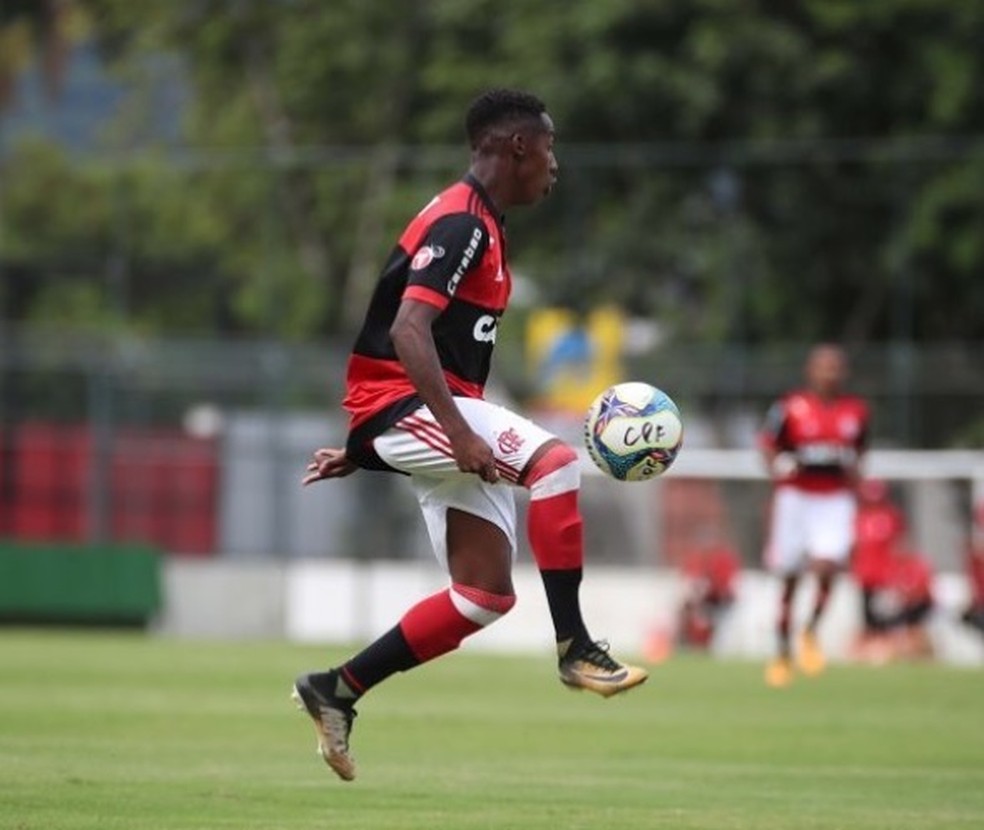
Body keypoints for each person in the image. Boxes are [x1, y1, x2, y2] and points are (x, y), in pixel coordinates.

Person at [292, 89, 647, 782]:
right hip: (414, 406)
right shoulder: (462, 224)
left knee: (483, 596)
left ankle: (336, 689)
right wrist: (450, 432)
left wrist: (366, 449)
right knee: (556, 463)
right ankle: (575, 646)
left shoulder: (481, 221)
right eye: (548, 149)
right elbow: (405, 332)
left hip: (413, 413)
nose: (554, 164)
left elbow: (410, 342)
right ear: (517, 147)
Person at [759, 344, 869, 687]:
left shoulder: (857, 411)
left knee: (827, 566)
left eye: (836, 367)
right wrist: (778, 465)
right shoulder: (789, 406)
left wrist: (855, 477)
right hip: (795, 498)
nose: (830, 373)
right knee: (790, 578)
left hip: (834, 500)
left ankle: (810, 630)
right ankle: (781, 652)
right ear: (810, 370)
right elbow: (767, 443)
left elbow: (859, 452)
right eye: (824, 367)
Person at [850, 478, 906, 661]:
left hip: (885, 576)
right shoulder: (859, 517)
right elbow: (853, 548)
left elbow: (900, 545)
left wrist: (898, 573)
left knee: (885, 616)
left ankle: (887, 652)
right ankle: (871, 652)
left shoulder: (891, 516)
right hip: (865, 576)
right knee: (867, 616)